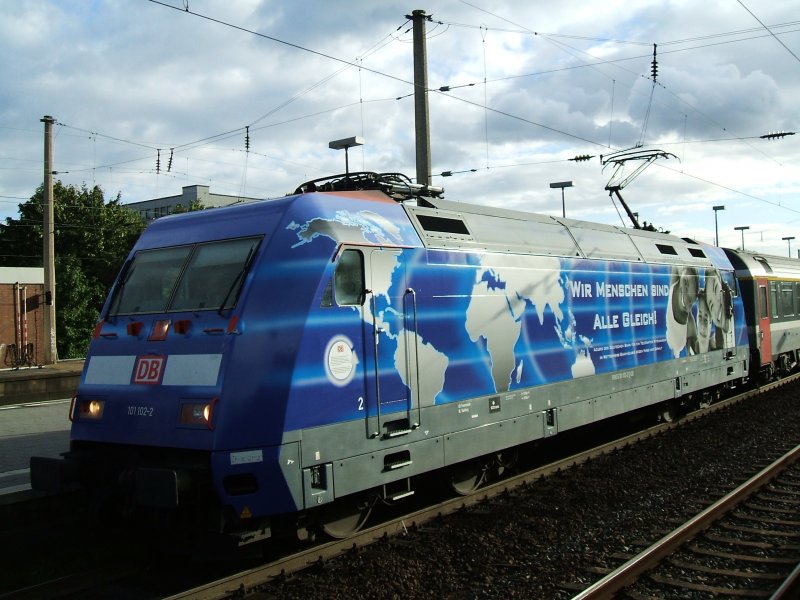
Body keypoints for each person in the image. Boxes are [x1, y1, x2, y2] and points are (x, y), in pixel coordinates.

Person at [665, 266, 699, 358]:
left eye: (691, 303)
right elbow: (676, 265)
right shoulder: (674, 285)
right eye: (689, 300)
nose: (689, 308)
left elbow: (695, 353)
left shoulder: (689, 322)